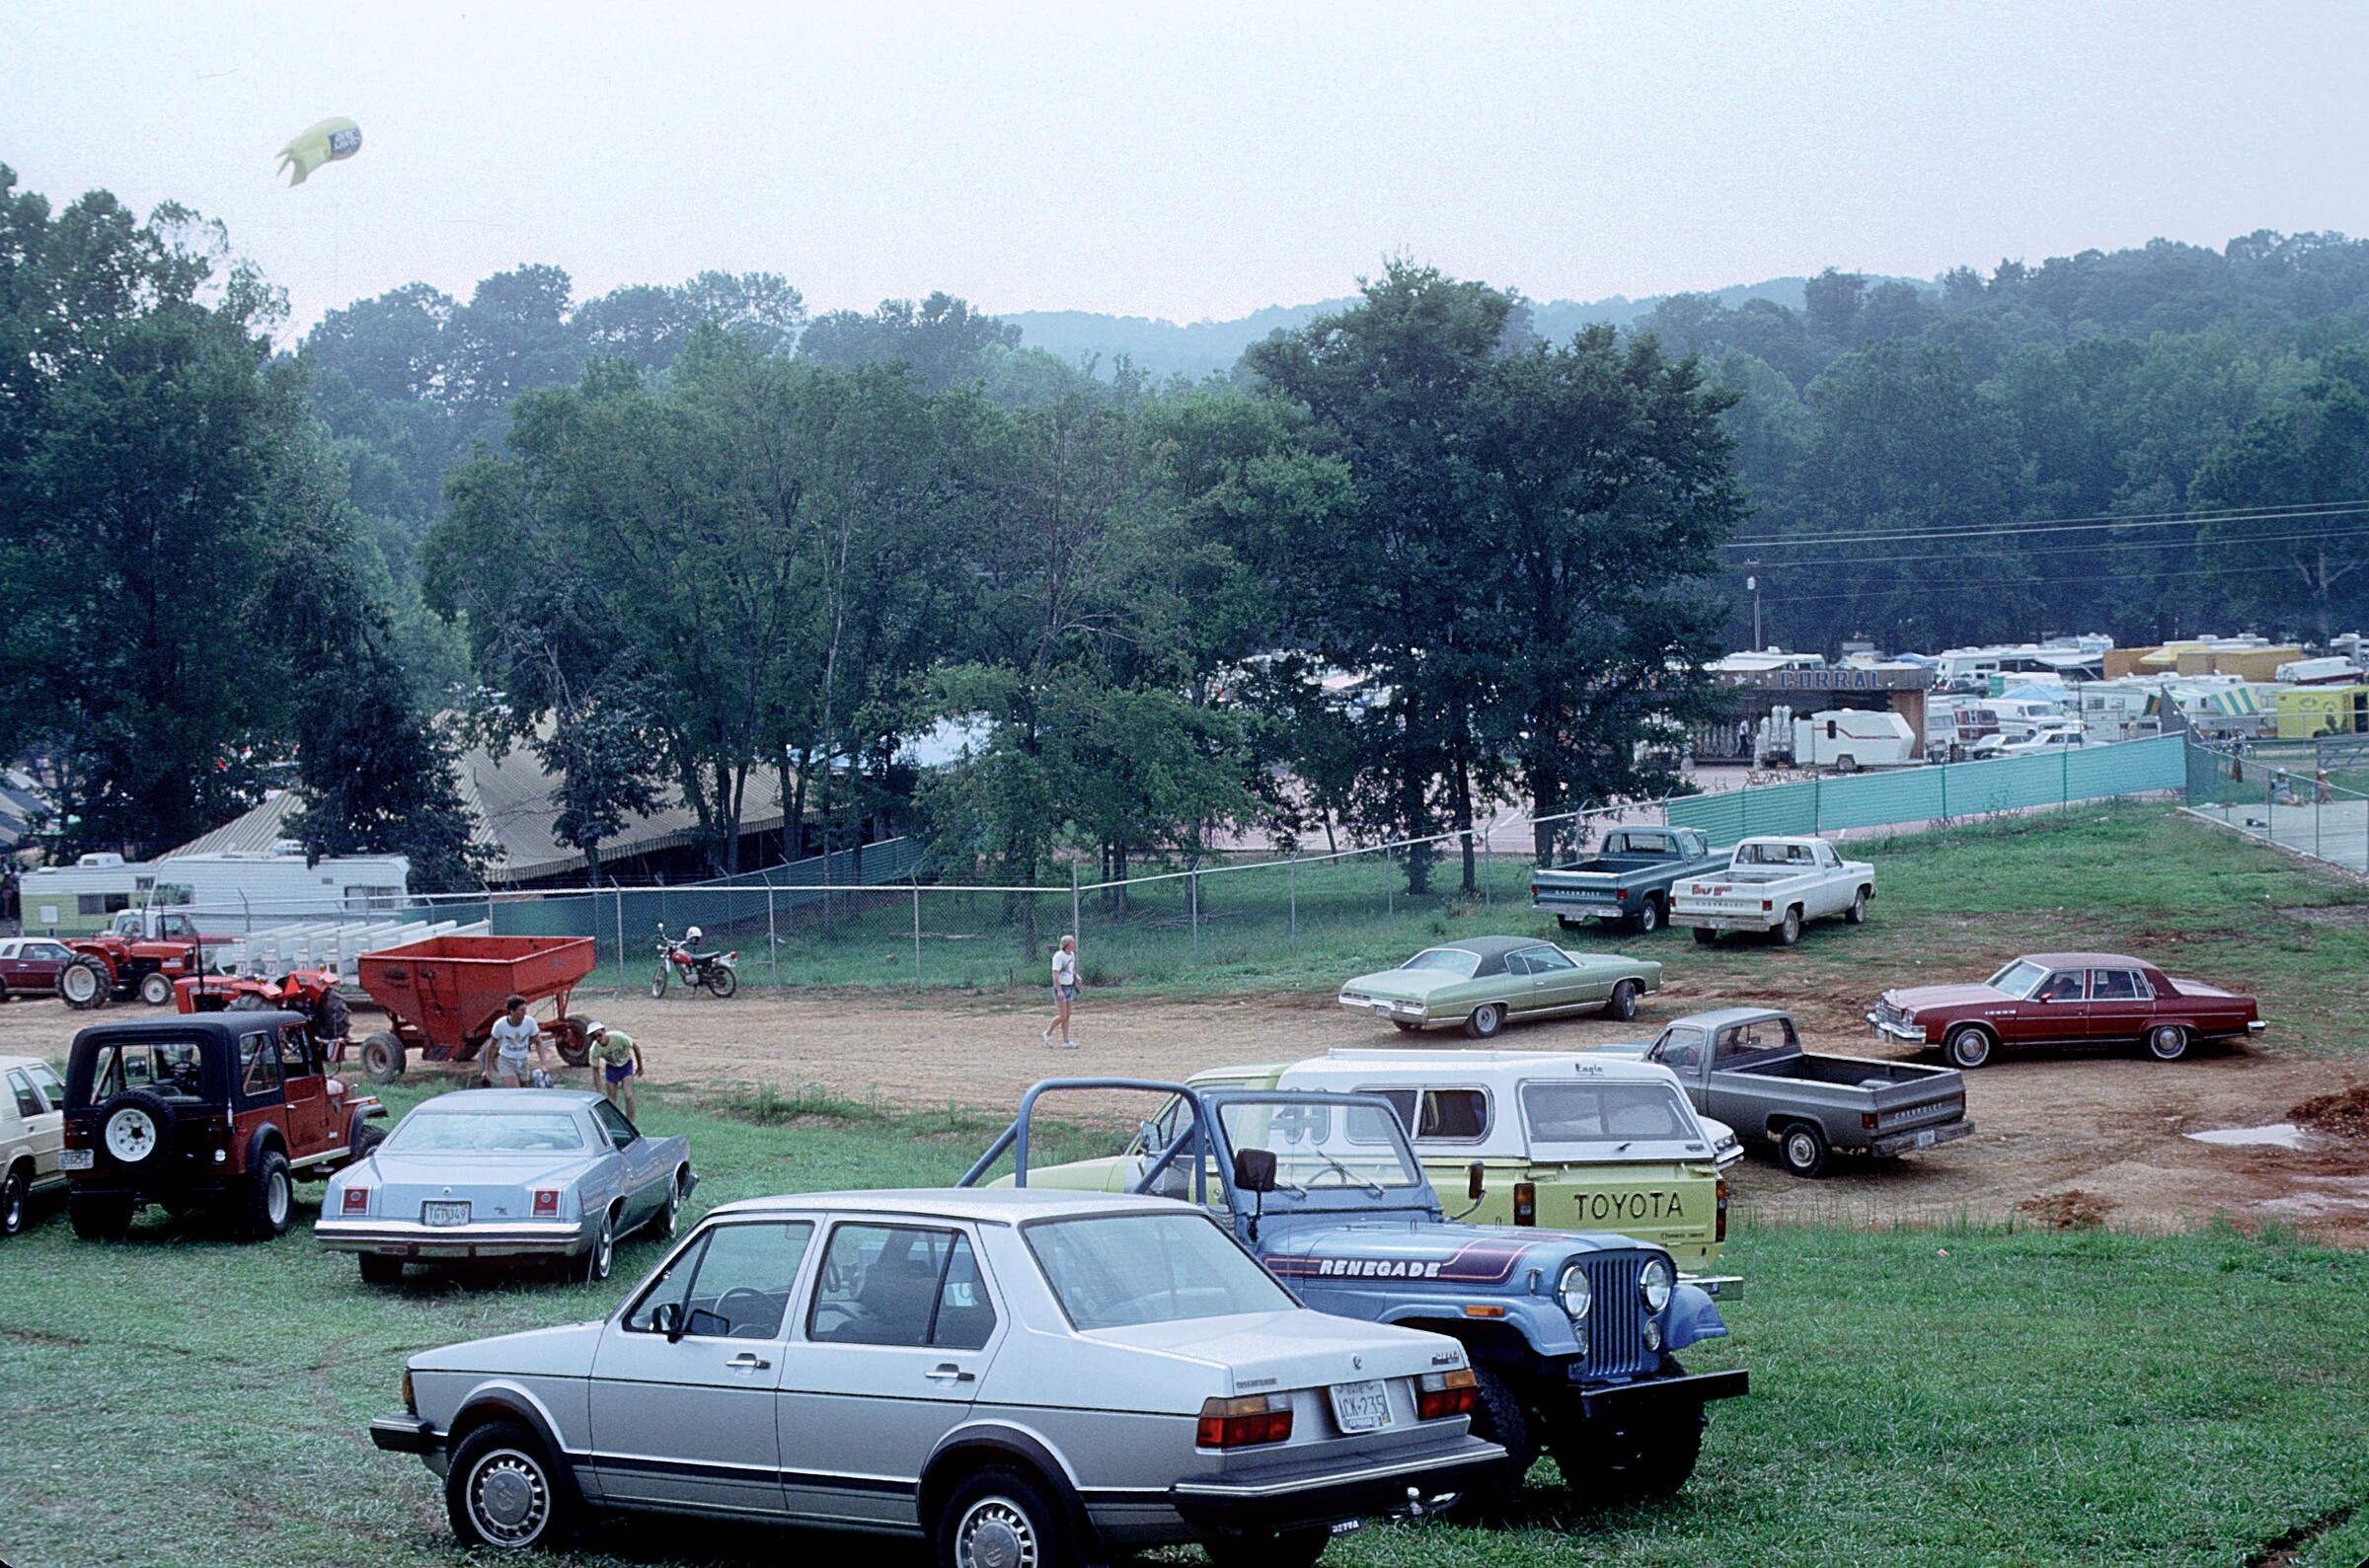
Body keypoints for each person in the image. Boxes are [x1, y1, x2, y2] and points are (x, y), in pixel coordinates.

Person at [483, 994, 552, 1087]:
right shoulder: (500, 1025)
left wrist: (543, 1064)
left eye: (525, 1009)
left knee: (524, 1090)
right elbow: (491, 1047)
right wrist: (487, 1069)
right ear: (512, 1011)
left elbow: (538, 1043)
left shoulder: (530, 1022)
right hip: (506, 1061)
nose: (525, 1013)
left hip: (523, 1061)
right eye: (521, 1010)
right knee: (515, 1091)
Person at [586, 1020, 643, 1117]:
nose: (598, 1039)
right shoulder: (594, 1050)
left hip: (626, 1065)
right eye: (594, 1038)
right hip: (612, 1068)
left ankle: (630, 1121)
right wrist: (598, 1090)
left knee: (628, 1095)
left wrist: (640, 1066)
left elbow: (635, 1047)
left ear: (604, 1031)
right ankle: (612, 1121)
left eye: (599, 1035)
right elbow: (595, 1070)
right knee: (611, 1099)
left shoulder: (618, 1037)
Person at [1043, 934, 1079, 1049]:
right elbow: (1055, 974)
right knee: (1062, 1016)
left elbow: (1071, 968)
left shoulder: (1071, 955)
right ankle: (1048, 1033)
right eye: (1073, 942)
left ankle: (1066, 1041)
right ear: (1067, 945)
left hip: (1069, 987)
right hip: (1061, 988)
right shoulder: (1058, 956)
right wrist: (1059, 990)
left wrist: (1076, 976)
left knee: (1067, 1015)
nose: (1075, 944)